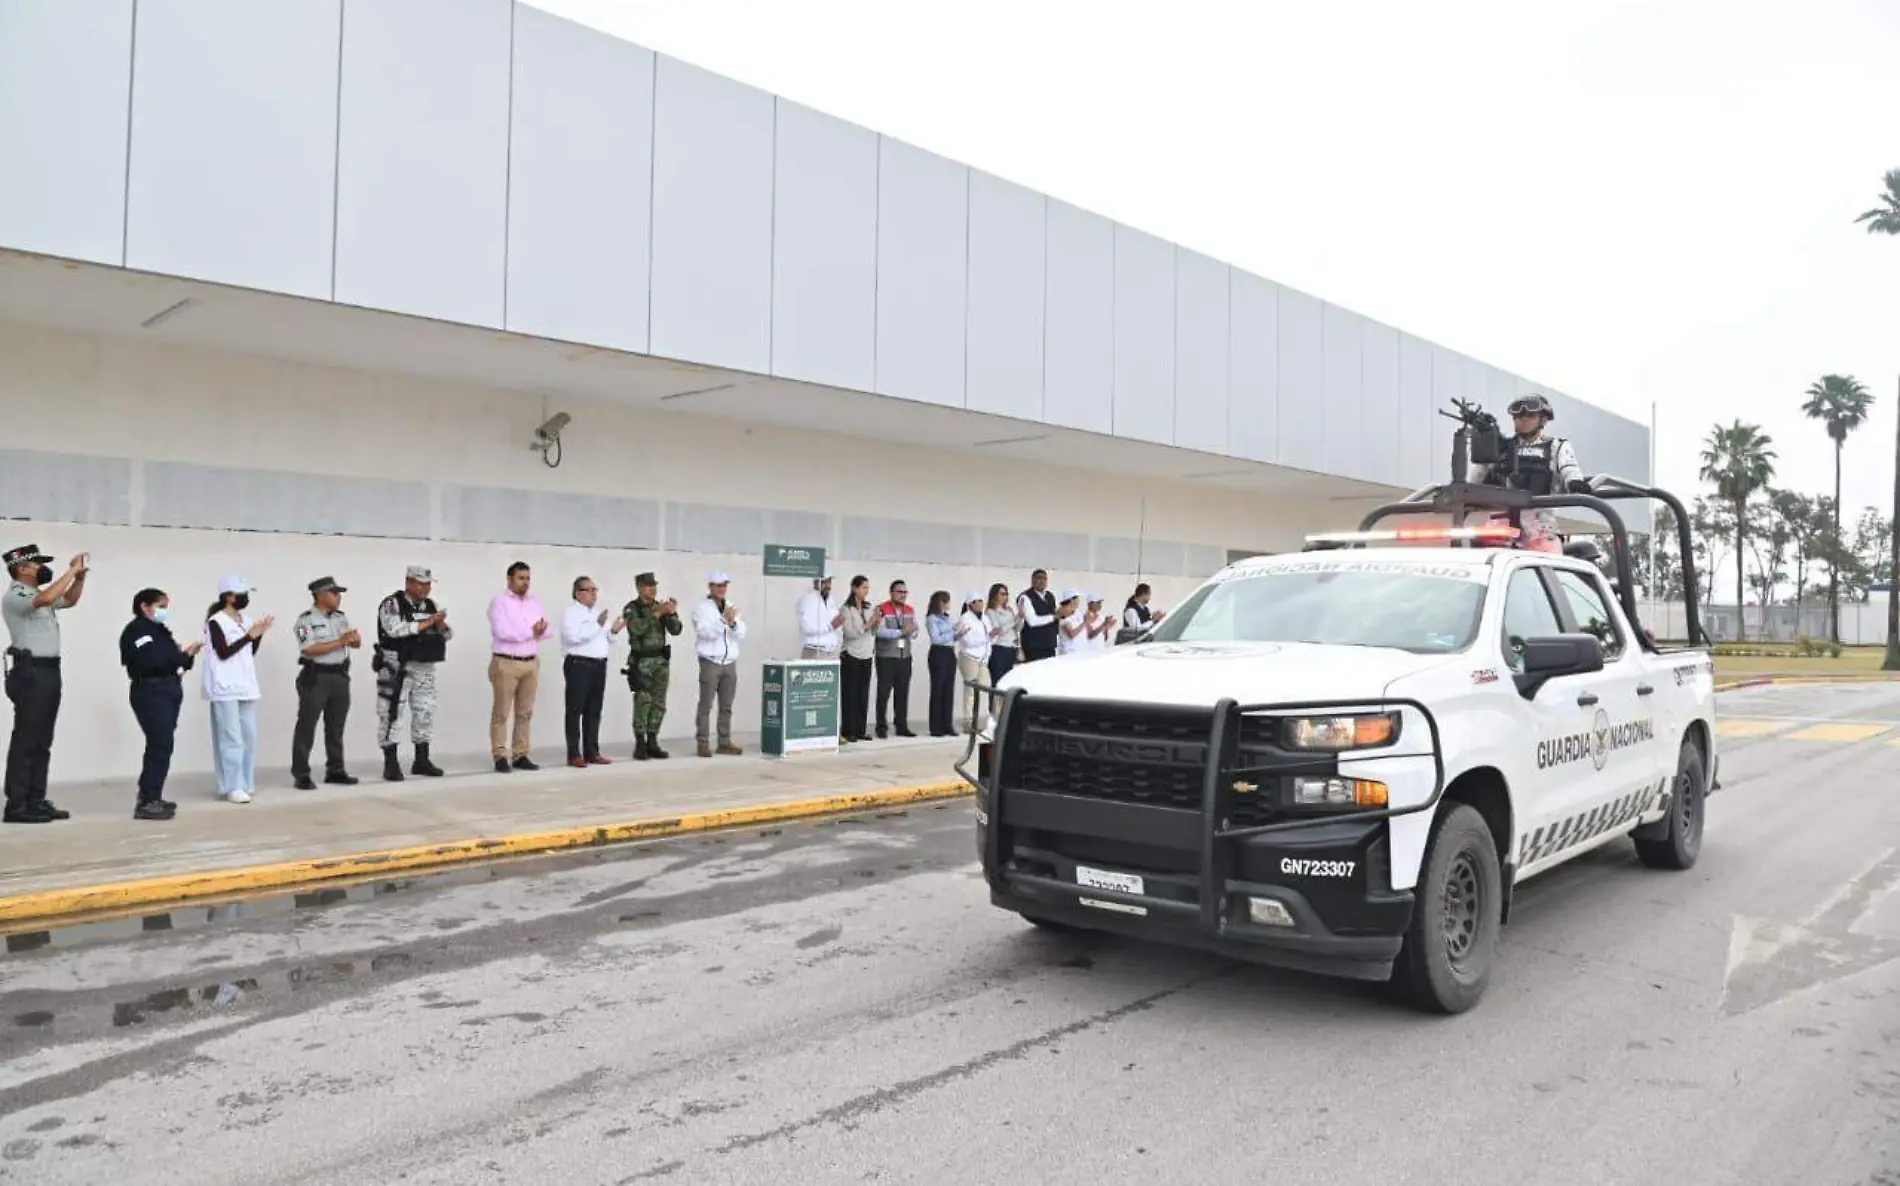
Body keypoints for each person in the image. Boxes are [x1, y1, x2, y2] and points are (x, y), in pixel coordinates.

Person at [1, 544, 86, 825]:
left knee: (42, 740)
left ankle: (36, 800)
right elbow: (49, 598)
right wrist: (70, 569)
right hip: (31, 673)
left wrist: (80, 578)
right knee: (27, 740)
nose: (42, 568)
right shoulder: (17, 594)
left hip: (48, 672)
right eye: (37, 564)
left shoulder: (37, 594)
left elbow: (69, 601)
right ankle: (17, 805)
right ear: (22, 567)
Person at [1469, 393, 1588, 554]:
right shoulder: (1502, 447)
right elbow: (1475, 480)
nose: (1523, 419)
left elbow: (1569, 469)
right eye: (1518, 416)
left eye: (1530, 415)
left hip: (1540, 522)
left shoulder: (1556, 446)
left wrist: (1575, 483)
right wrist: (1486, 438)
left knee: (1548, 555)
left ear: (1544, 419)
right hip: (1503, 520)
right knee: (1479, 549)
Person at [119, 587, 200, 820]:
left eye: (166, 607)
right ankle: (147, 800)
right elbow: (151, 660)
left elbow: (177, 660)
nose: (164, 611)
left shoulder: (160, 630)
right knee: (159, 744)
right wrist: (177, 657)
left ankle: (154, 795)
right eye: (160, 606)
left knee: (163, 744)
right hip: (151, 690)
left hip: (168, 688)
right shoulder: (137, 631)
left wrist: (187, 655)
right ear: (144, 606)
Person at [375, 565, 450, 781]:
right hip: (395, 665)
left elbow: (447, 634)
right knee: (390, 714)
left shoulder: (431, 606)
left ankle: (422, 760)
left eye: (428, 584)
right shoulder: (392, 604)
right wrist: (427, 623)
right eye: (420, 583)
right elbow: (394, 629)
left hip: (424, 667)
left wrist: (441, 626)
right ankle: (390, 763)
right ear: (408, 582)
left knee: (425, 712)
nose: (425, 588)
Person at [203, 576, 272, 805]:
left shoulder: (246, 619)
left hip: (245, 685)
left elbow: (249, 651)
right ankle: (232, 786)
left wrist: (258, 635)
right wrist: (248, 636)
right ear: (229, 596)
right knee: (230, 738)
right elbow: (223, 652)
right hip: (224, 686)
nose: (246, 599)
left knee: (248, 737)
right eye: (242, 594)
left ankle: (246, 782)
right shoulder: (216, 621)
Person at [290, 575, 361, 790]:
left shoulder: (340, 618)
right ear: (320, 595)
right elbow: (309, 649)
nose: (339, 597)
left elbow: (352, 642)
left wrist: (355, 641)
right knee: (307, 726)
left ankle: (336, 770)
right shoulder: (305, 621)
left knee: (336, 726)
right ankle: (301, 773)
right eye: (334, 593)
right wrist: (340, 642)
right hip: (316, 677)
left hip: (339, 675)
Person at [487, 561, 549, 773]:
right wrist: (531, 631)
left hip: (530, 662)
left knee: (525, 712)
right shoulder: (499, 602)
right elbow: (503, 631)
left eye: (528, 578)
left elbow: (546, 630)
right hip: (506, 662)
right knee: (501, 712)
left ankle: (521, 754)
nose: (525, 583)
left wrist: (536, 631)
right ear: (510, 579)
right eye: (521, 578)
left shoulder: (535, 603)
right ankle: (500, 755)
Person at [561, 574, 621, 768]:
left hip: (599, 665)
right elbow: (574, 638)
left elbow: (607, 639)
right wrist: (598, 625)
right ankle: (574, 753)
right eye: (590, 590)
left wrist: (614, 631)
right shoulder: (571, 613)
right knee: (575, 710)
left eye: (595, 590)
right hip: (579, 665)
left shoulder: (599, 613)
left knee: (594, 711)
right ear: (578, 593)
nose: (594, 594)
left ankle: (592, 752)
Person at [621, 572, 681, 760]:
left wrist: (671, 613)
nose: (652, 589)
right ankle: (640, 743)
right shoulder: (632, 609)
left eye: (654, 585)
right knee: (642, 701)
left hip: (660, 662)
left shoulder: (659, 607)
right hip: (642, 662)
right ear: (639, 587)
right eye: (648, 586)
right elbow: (636, 629)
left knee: (659, 703)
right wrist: (656, 615)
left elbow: (676, 630)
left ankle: (652, 741)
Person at [692, 571, 747, 757]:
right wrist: (724, 621)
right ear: (710, 587)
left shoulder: (730, 605)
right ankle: (703, 742)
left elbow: (741, 633)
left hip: (729, 662)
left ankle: (724, 742)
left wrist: (732, 624)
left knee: (726, 706)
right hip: (710, 661)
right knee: (706, 704)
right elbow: (704, 633)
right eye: (718, 585)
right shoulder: (701, 608)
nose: (722, 588)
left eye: (724, 585)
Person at [874, 579, 918, 739]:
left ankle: (901, 725)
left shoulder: (909, 609)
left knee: (902, 692)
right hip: (886, 656)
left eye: (905, 592)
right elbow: (879, 632)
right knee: (883, 692)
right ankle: (881, 726)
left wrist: (910, 631)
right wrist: (901, 631)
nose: (903, 595)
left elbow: (914, 630)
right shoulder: (882, 609)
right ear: (891, 593)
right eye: (899, 592)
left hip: (904, 656)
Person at [839, 575, 877, 744]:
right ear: (854, 588)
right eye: (863, 587)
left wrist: (876, 623)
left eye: (867, 588)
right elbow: (849, 633)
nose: (866, 591)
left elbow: (873, 632)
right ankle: (849, 730)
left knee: (863, 694)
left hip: (867, 655)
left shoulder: (868, 608)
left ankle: (861, 729)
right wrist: (868, 625)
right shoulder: (846, 609)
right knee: (850, 694)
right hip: (851, 655)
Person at [953, 590, 995, 734]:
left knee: (985, 687)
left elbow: (990, 638)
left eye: (981, 601)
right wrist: (988, 637)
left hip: (983, 659)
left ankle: (980, 720)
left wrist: (991, 638)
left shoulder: (985, 618)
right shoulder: (964, 619)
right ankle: (968, 722)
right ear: (970, 605)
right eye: (977, 602)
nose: (980, 604)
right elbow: (968, 641)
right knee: (970, 690)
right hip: (969, 657)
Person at [924, 591, 957, 737]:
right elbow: (937, 639)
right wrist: (953, 632)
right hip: (938, 653)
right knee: (938, 689)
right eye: (947, 601)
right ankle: (936, 726)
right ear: (941, 603)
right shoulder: (932, 619)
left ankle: (947, 724)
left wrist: (959, 632)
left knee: (948, 690)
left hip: (949, 652)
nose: (949, 604)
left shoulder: (946, 618)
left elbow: (950, 637)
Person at [797, 572, 844, 660]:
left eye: (829, 582)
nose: (828, 586)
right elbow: (807, 627)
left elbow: (835, 623)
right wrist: (830, 626)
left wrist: (840, 623)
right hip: (814, 652)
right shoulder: (807, 600)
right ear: (815, 582)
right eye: (824, 582)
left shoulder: (830, 600)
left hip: (831, 652)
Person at [1016, 570, 1059, 662]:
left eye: (1045, 578)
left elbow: (1054, 614)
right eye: (1039, 578)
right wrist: (1054, 617)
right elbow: (1032, 621)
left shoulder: (1050, 596)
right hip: (1033, 645)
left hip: (1049, 643)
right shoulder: (1025, 597)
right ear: (1032, 580)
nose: (1042, 581)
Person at [984, 583, 1019, 686]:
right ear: (995, 595)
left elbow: (1017, 628)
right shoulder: (990, 612)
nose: (1005, 597)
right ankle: (995, 702)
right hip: (999, 648)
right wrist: (1014, 620)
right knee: (997, 680)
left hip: (1011, 647)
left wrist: (1020, 617)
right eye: (1002, 594)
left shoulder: (1009, 610)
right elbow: (999, 630)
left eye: (1006, 594)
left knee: (1008, 681)